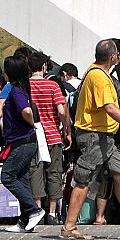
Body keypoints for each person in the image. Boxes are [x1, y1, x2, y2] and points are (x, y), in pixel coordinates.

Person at [60, 39, 120, 240]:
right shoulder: (99, 77)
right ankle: (69, 226)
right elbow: (110, 108)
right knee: (84, 179)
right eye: (117, 55)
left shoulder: (94, 71)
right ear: (113, 57)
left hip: (105, 137)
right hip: (94, 136)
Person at [0, 55, 45, 234]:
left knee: (8, 177)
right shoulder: (21, 89)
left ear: (11, 72)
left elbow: (25, 111)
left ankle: (34, 210)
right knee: (22, 179)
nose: (3, 73)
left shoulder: (16, 90)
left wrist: (32, 123)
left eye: (5, 69)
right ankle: (25, 221)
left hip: (22, 142)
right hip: (24, 141)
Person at [26, 50, 70, 223]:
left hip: (33, 136)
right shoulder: (53, 86)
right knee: (54, 173)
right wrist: (66, 129)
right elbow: (61, 110)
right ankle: (52, 212)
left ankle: (37, 210)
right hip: (52, 136)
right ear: (44, 67)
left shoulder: (25, 86)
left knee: (35, 172)